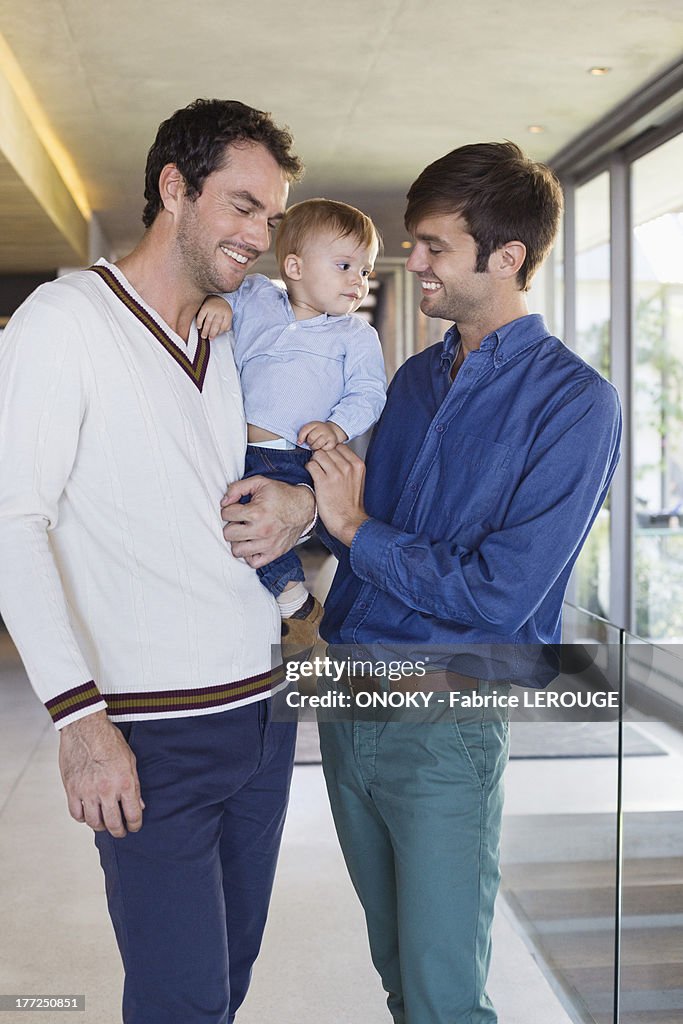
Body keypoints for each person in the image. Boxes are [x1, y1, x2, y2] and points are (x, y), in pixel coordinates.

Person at [0, 99, 315, 1024]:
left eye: (271, 215)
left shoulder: (226, 337)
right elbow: (11, 522)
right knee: (180, 1001)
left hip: (260, 713)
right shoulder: (63, 322)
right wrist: (78, 721)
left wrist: (296, 509)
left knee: (224, 989)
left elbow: (264, 474)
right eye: (243, 206)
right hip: (151, 733)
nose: (260, 234)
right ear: (174, 189)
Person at [306, 142, 622, 1024]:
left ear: (507, 256)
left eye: (435, 246)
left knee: (445, 997)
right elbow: (357, 525)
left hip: (443, 724)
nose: (414, 265)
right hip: (348, 698)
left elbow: (499, 597)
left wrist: (356, 530)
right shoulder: (410, 380)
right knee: (400, 977)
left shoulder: (575, 404)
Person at [197, 198, 386, 648]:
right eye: (344, 265)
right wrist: (216, 303)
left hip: (290, 457)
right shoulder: (257, 295)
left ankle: (294, 603)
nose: (358, 281)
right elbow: (216, 296)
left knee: (255, 526)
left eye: (365, 271)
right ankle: (282, 608)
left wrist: (338, 427)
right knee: (221, 523)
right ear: (296, 267)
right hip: (227, 448)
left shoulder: (355, 335)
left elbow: (370, 393)